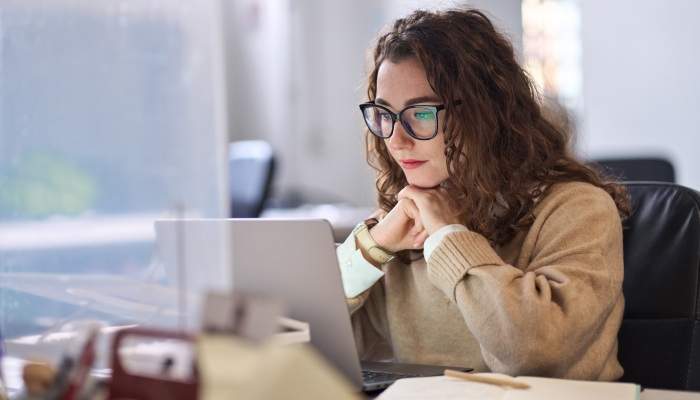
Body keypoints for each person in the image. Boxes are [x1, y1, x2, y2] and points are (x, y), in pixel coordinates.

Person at [335, 8, 630, 381]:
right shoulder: (405, 221)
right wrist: (372, 246)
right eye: (385, 115)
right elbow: (304, 336)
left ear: (485, 112)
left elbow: (535, 354)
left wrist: (448, 236)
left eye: (421, 113)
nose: (396, 139)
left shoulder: (578, 210)